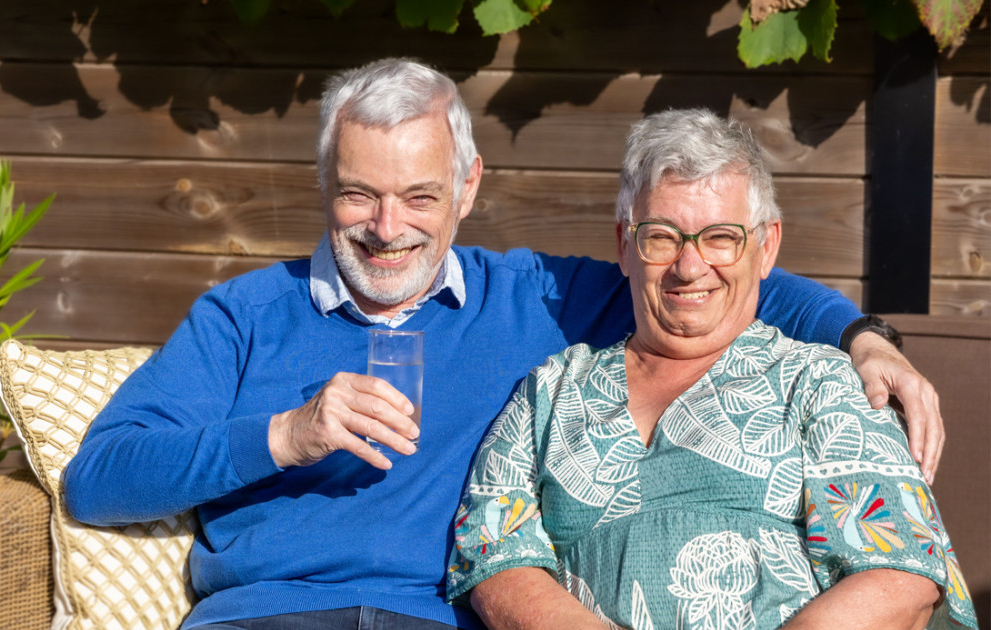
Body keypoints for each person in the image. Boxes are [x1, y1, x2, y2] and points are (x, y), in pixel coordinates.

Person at [62, 59, 946, 630]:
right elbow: (100, 479)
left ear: (469, 184)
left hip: (435, 623)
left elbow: (706, 265)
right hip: (265, 619)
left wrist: (862, 337)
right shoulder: (247, 313)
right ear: (324, 184)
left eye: (418, 195)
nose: (386, 229)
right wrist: (284, 435)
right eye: (358, 195)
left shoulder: (535, 297)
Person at [445, 109, 976, 630]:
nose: (689, 266)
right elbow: (497, 560)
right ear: (624, 247)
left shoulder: (820, 382)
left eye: (721, 237)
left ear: (765, 248)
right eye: (661, 236)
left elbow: (901, 579)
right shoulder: (551, 391)